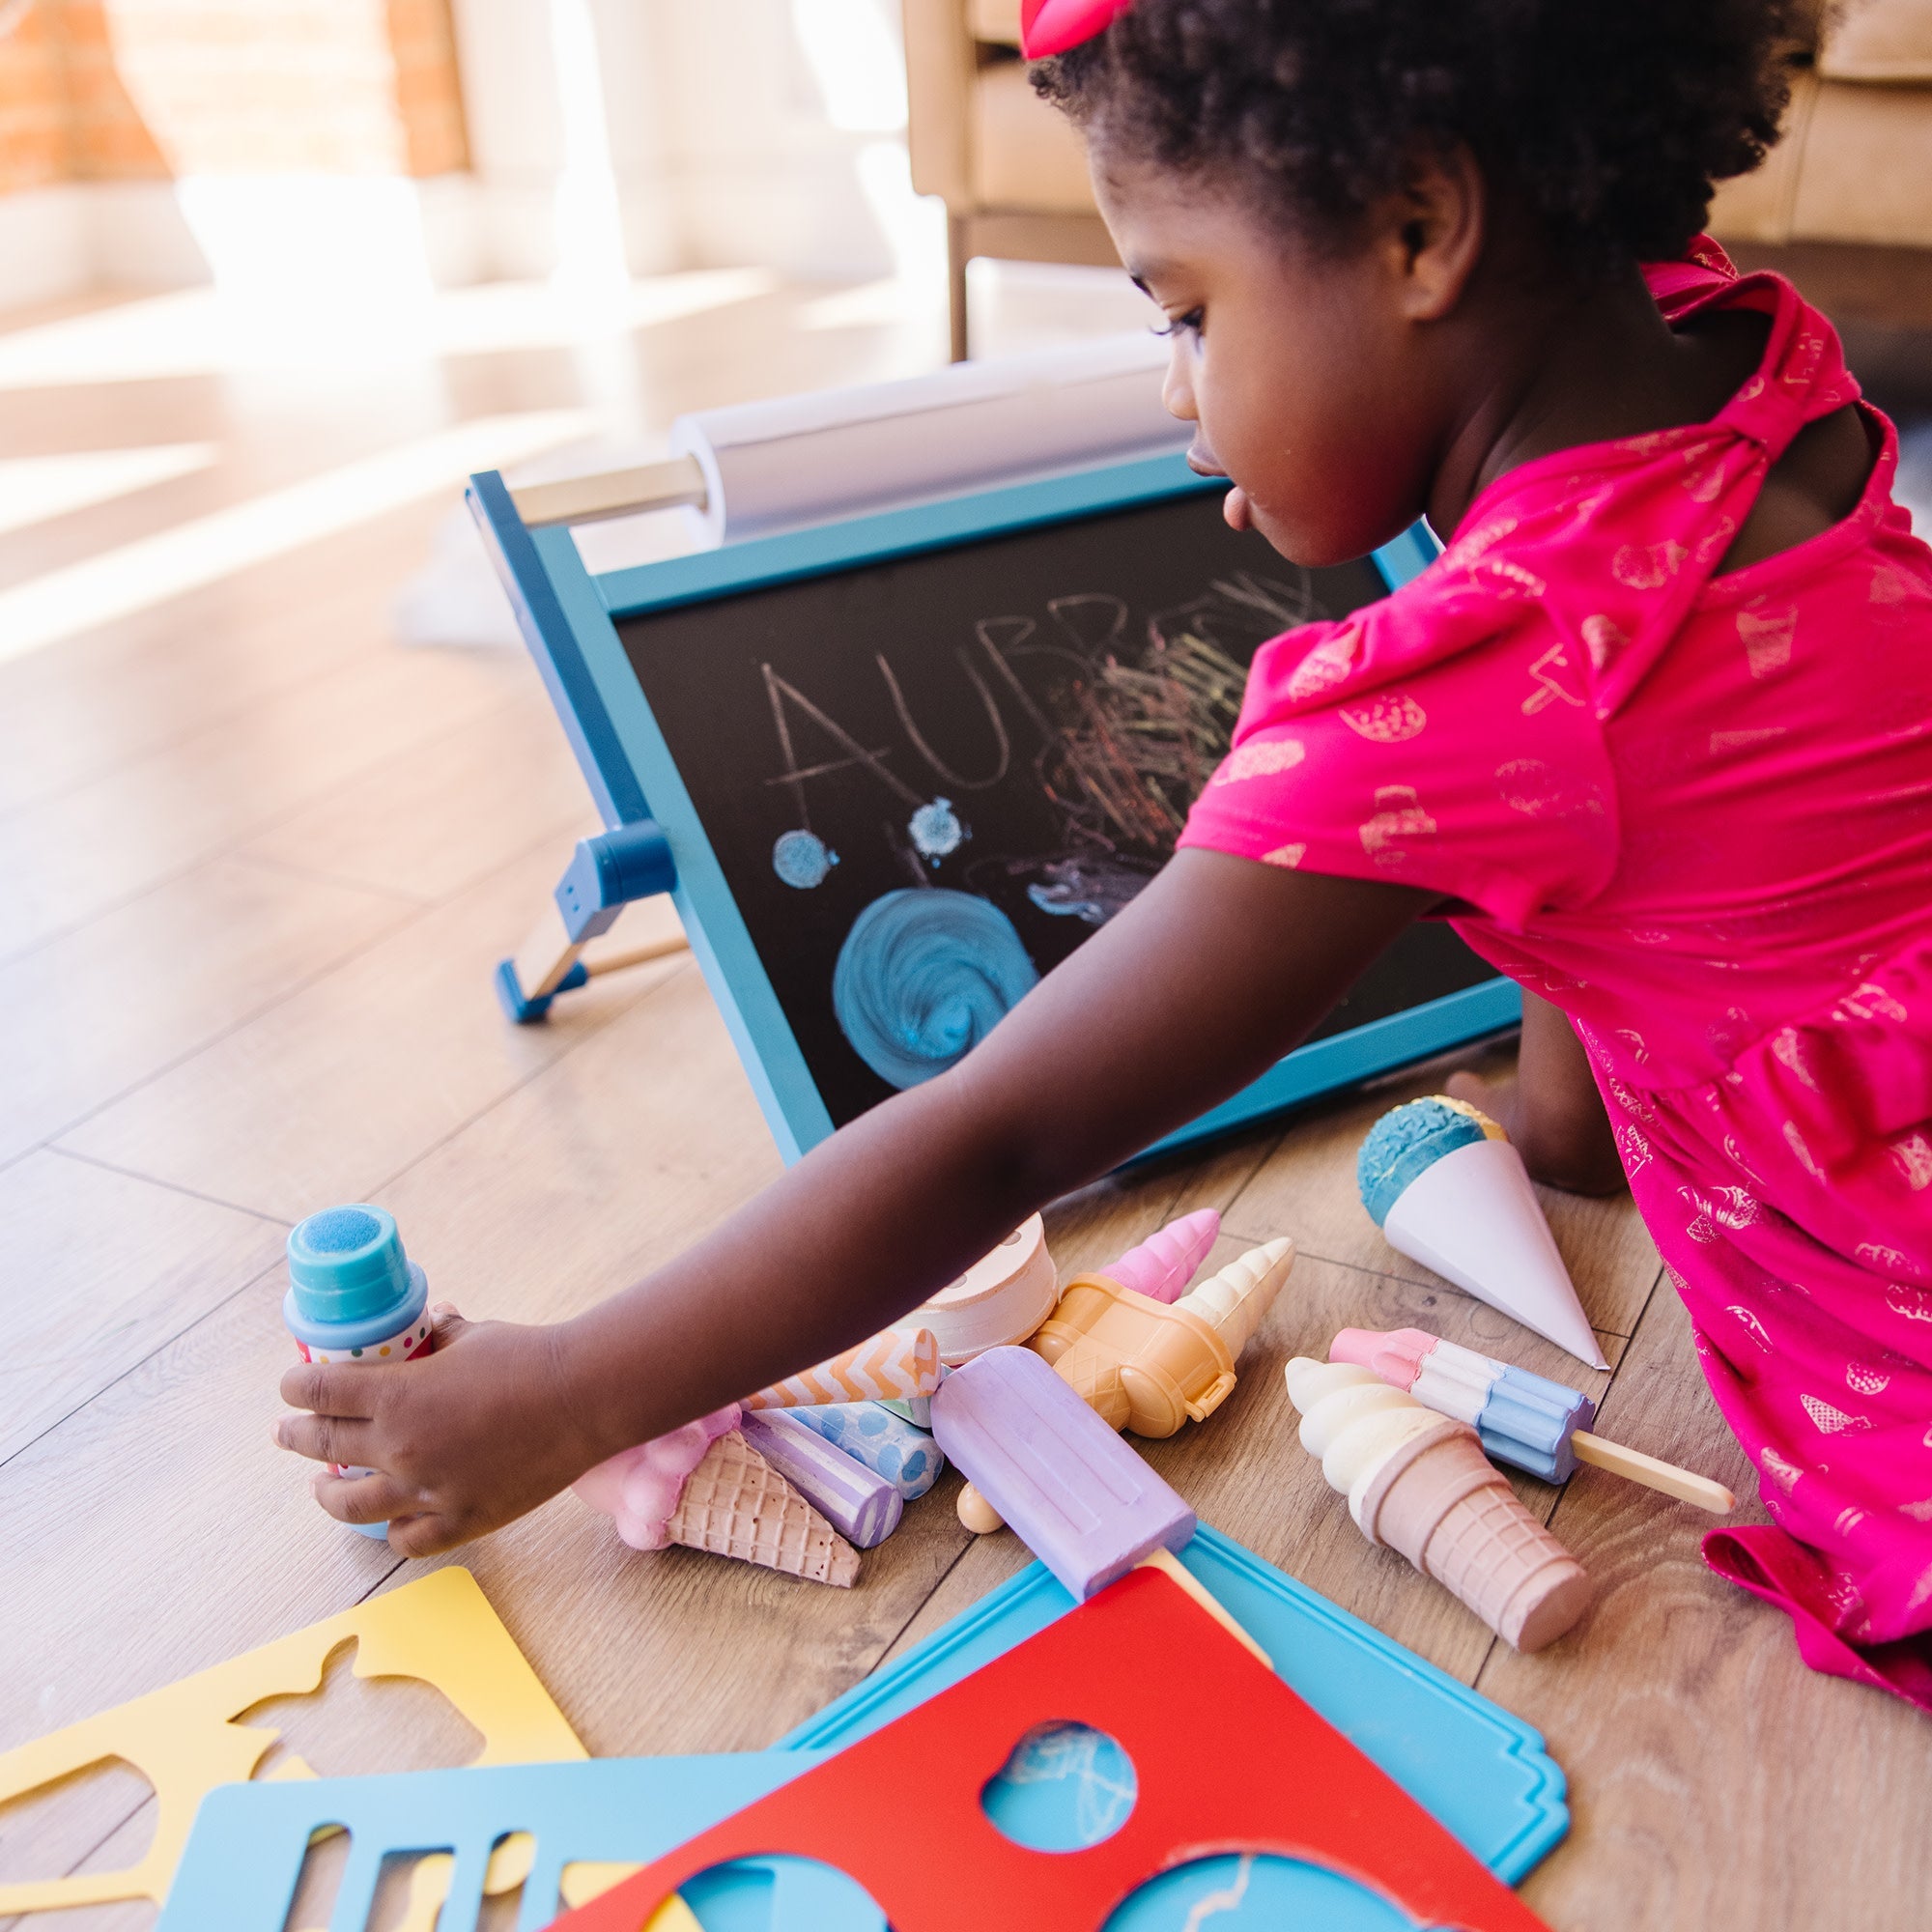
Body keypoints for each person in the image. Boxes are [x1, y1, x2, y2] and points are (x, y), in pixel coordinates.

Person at [276, 0, 1932, 1705]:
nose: (1179, 402)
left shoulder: (1479, 689)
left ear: (1423, 227)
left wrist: (568, 1393)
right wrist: (1571, 1130)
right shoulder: (1736, 357)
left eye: (1189, 312)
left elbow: (998, 1137)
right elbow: (1651, 844)